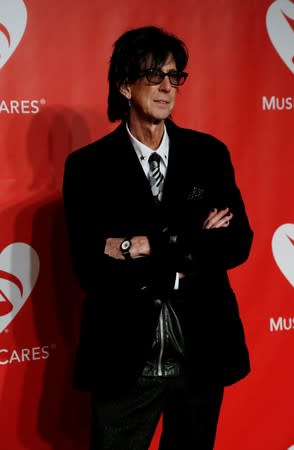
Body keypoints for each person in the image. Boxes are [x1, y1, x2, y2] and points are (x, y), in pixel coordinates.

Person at [62, 25, 253, 450]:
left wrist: (135, 245)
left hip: (201, 350)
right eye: (154, 75)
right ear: (125, 85)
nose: (167, 87)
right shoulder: (87, 168)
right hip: (125, 356)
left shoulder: (209, 155)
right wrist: (193, 239)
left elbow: (238, 243)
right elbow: (89, 266)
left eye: (174, 76)